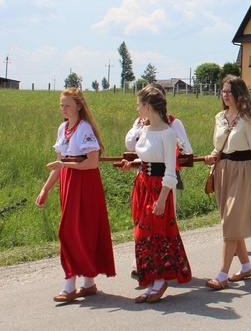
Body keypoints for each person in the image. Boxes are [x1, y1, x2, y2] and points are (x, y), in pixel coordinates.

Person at [36, 88, 115, 303]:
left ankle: (70, 283)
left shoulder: (84, 128)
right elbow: (59, 165)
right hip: (69, 183)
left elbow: (92, 162)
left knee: (73, 231)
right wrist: (46, 189)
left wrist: (64, 164)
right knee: (76, 230)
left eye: (67, 105)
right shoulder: (63, 128)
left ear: (79, 106)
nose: (63, 109)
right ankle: (88, 282)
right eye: (62, 105)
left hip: (85, 183)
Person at [120, 85, 191, 302]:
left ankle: (160, 280)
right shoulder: (144, 130)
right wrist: (132, 165)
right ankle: (151, 281)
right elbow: (147, 159)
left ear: (148, 106)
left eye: (139, 104)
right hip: (142, 185)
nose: (137, 108)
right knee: (142, 234)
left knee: (156, 233)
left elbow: (169, 169)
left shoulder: (168, 133)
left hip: (159, 188)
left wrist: (161, 199)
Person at [203, 76, 251, 290]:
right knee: (230, 222)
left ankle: (222, 274)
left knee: (231, 222)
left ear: (239, 94)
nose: (225, 95)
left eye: (229, 91)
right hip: (224, 170)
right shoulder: (219, 117)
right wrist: (211, 157)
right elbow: (219, 146)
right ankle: (246, 266)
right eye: (223, 91)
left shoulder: (249, 119)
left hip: (244, 171)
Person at [126, 83, 193, 191]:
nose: (137, 108)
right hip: (143, 179)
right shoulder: (141, 126)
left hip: (163, 180)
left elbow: (187, 151)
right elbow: (130, 145)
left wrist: (172, 151)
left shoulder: (172, 125)